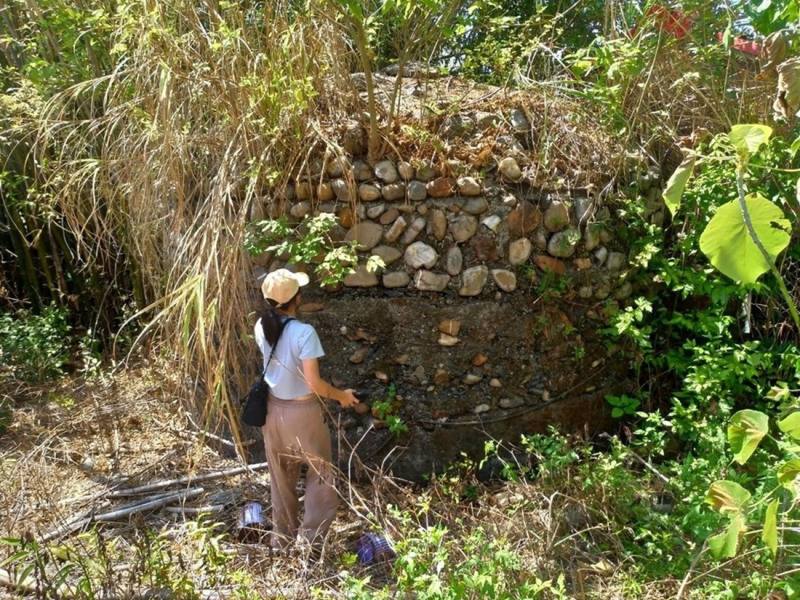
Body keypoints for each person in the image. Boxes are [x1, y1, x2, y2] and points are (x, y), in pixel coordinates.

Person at [255, 268, 359, 551]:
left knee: (281, 477)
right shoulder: (304, 332)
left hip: (272, 411)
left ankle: (283, 540)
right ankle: (310, 543)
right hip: (304, 413)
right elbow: (314, 384)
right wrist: (342, 396)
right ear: (296, 298)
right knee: (320, 474)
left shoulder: (261, 326)